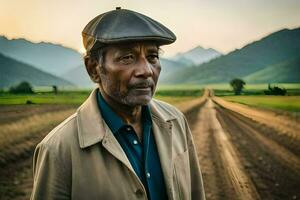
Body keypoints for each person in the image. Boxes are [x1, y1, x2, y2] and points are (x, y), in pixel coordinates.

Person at [31, 7, 205, 200]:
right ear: (93, 69)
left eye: (152, 57)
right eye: (127, 57)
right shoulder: (58, 149)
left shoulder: (175, 120)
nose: (146, 71)